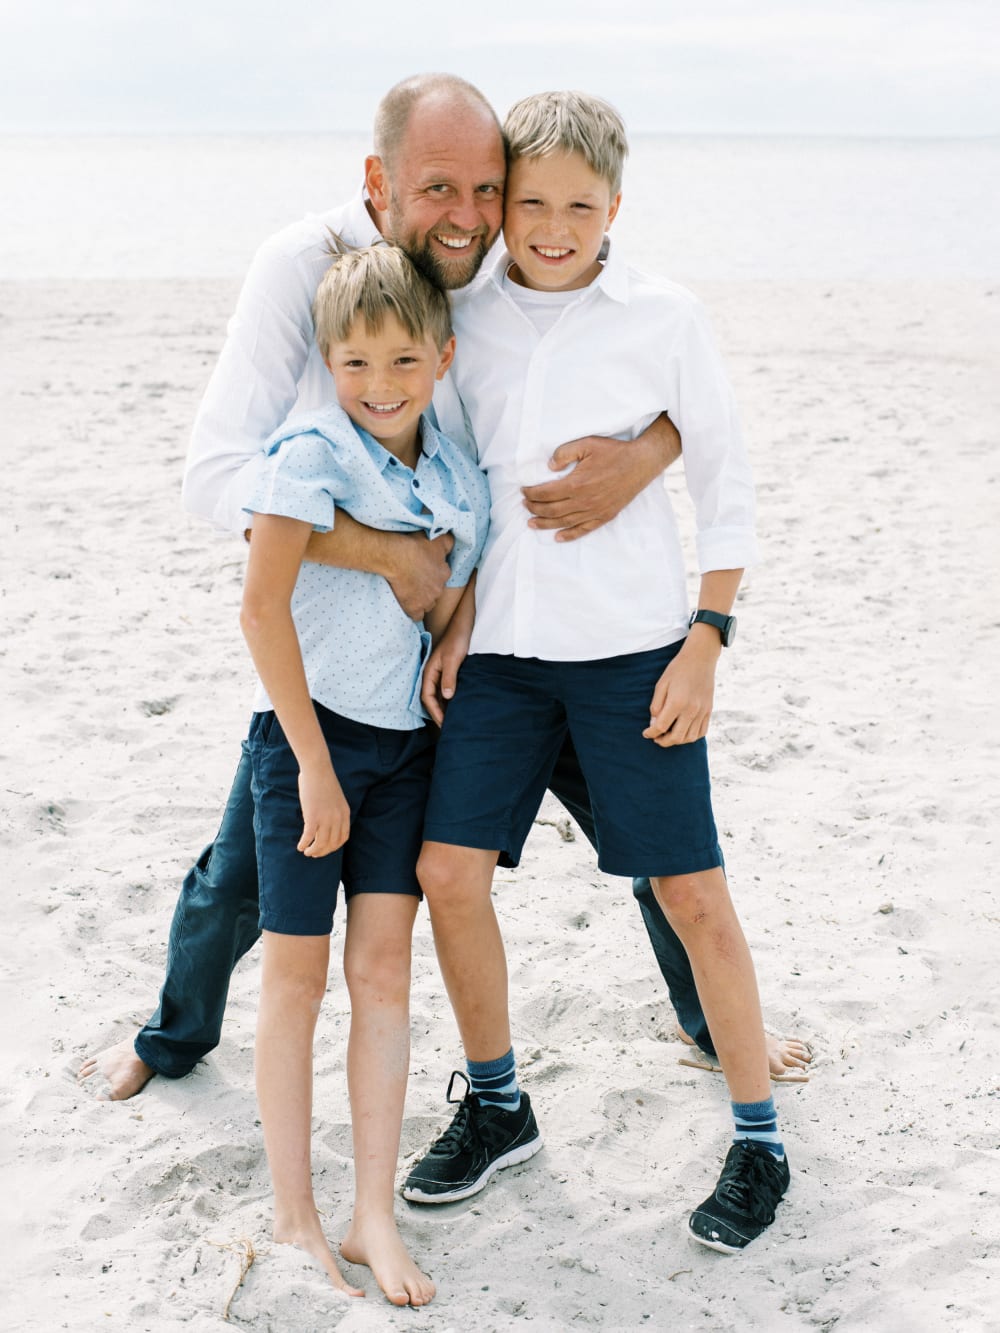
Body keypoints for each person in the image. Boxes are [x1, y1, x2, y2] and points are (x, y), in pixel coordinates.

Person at [77, 72, 803, 1104]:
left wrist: (650, 452)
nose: (467, 218)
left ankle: (712, 1026)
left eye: (484, 189)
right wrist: (382, 553)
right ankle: (172, 1035)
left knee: (645, 839)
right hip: (348, 641)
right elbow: (210, 477)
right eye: (437, 190)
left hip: (504, 621)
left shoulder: (508, 266)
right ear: (378, 180)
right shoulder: (300, 266)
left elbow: (634, 366)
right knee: (245, 863)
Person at [405, 91, 793, 1253]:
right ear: (503, 205)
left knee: (692, 894)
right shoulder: (464, 314)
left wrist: (707, 642)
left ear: (615, 205)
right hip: (506, 661)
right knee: (447, 872)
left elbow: (726, 481)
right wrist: (457, 608)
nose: (555, 225)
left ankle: (761, 1136)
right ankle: (498, 1103)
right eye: (532, 202)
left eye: (581, 204)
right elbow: (458, 477)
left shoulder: (662, 315)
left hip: (635, 657)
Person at [239, 242, 489, 1304]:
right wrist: (313, 771)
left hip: (405, 754)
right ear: (326, 362)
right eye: (354, 364)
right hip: (309, 747)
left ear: (439, 357)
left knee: (382, 975)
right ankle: (296, 1214)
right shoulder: (307, 455)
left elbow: (462, 578)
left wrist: (454, 634)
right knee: (295, 980)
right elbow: (259, 608)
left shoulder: (457, 472)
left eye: (399, 361)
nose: (378, 386)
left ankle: (370, 1213)